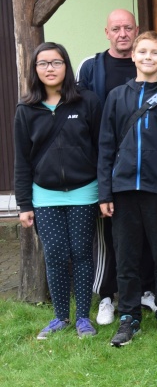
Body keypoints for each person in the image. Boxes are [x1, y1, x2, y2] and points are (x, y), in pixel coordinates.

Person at [97, 31, 157, 347]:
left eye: (155, 52)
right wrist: (105, 193)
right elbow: (106, 147)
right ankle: (128, 316)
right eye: (143, 52)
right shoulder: (116, 96)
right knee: (126, 256)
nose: (148, 57)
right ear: (133, 56)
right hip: (122, 191)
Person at [15, 42, 102, 339]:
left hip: (84, 191)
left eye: (56, 62)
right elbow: (22, 160)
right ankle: (60, 317)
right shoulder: (26, 109)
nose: (49, 68)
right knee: (54, 254)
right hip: (44, 194)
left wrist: (105, 193)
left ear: (66, 66)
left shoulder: (87, 101)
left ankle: (83, 318)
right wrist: (24, 204)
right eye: (43, 63)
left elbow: (102, 149)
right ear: (35, 69)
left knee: (81, 253)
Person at [77, 9, 157, 324]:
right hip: (107, 161)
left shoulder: (150, 61)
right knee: (110, 235)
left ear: (137, 30)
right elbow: (81, 112)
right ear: (106, 32)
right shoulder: (92, 66)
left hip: (146, 165)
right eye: (116, 28)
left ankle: (145, 290)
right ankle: (107, 296)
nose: (122, 34)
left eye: (128, 28)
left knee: (148, 231)